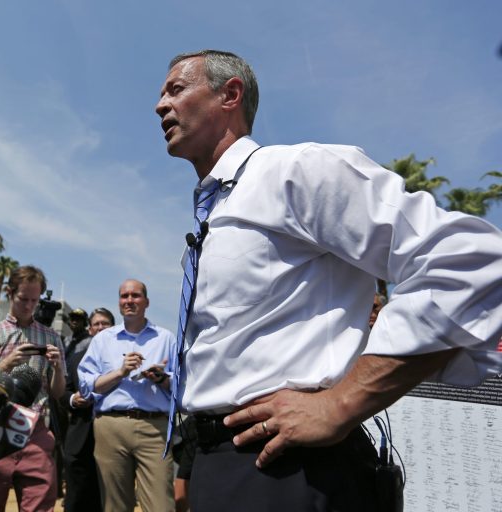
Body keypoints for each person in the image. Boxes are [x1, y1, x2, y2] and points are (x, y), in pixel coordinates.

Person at [155, 49, 502, 511]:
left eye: (176, 89)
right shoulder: (213, 216)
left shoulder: (294, 171)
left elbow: (469, 261)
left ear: (230, 94)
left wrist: (342, 404)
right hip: (220, 465)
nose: (160, 104)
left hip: (290, 472)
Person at [0, 265, 66, 512]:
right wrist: (6, 363)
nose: (29, 305)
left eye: (34, 300)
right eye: (23, 298)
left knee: (40, 505)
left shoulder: (51, 337)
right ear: (9, 293)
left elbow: (57, 393)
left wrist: (57, 368)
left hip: (36, 430)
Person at [78, 279, 175, 512]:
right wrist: (120, 372)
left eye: (135, 295)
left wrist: (161, 378)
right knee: (114, 505)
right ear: (119, 302)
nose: (129, 300)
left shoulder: (166, 338)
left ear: (147, 302)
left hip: (155, 429)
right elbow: (86, 385)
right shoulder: (103, 339)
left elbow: (181, 385)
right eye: (124, 296)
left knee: (161, 505)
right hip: (111, 426)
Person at [60, 307, 115, 511]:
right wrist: (73, 399)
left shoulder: (124, 360)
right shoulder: (75, 359)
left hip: (114, 438)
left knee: (107, 498)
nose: (100, 327)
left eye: (105, 324)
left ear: (113, 328)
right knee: (76, 498)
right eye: (96, 324)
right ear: (90, 329)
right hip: (80, 438)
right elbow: (63, 392)